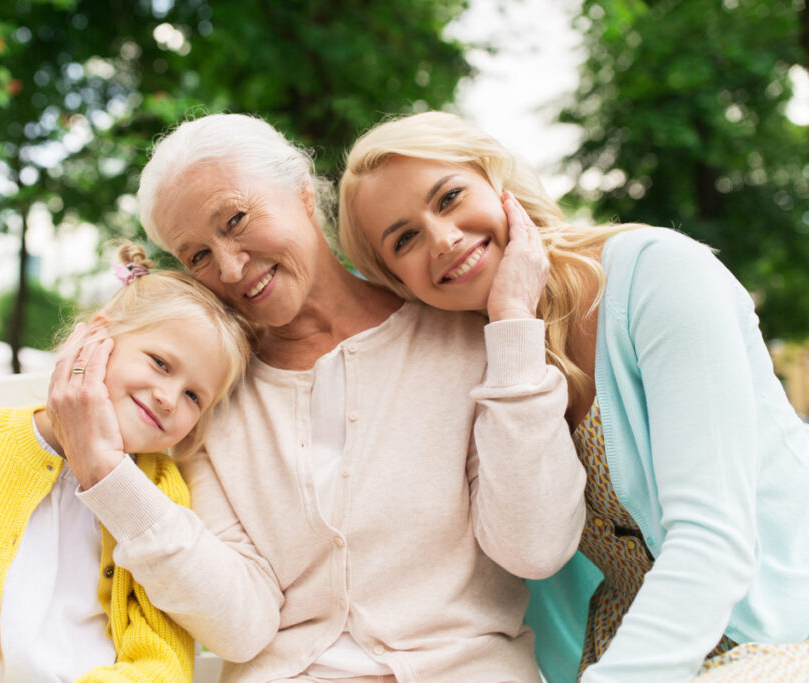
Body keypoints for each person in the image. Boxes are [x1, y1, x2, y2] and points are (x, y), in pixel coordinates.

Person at [45, 113, 587, 683]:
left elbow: (536, 548)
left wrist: (512, 330)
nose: (230, 267)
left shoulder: (467, 341)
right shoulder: (204, 399)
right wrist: (108, 476)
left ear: (303, 192)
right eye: (198, 255)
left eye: (235, 218)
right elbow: (241, 627)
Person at [337, 110, 809, 683]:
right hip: (633, 640)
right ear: (397, 280)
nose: (443, 239)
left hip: (784, 622)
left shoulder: (659, 275)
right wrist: (513, 321)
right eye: (404, 238)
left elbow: (714, 536)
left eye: (450, 197)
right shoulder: (478, 366)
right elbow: (516, 551)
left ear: (497, 182)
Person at [0, 243, 252, 683]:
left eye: (194, 397)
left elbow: (161, 661)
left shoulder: (159, 490)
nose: (170, 399)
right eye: (160, 363)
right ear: (96, 339)